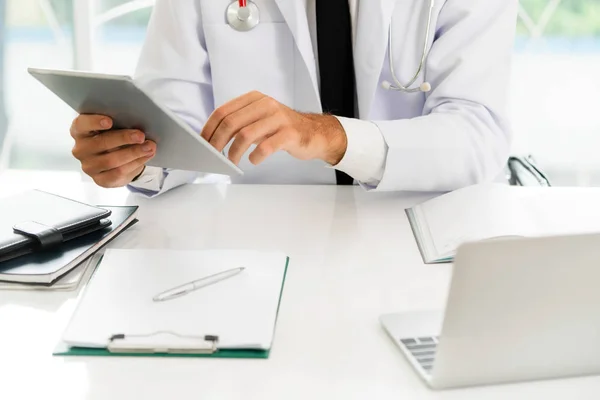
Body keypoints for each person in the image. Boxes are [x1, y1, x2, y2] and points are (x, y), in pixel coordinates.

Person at [69, 0, 518, 196]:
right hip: (270, 236)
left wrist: (330, 136)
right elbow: (175, 125)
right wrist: (133, 157)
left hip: (425, 226)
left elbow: (477, 132)